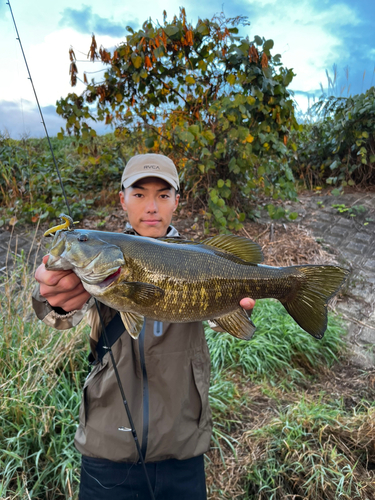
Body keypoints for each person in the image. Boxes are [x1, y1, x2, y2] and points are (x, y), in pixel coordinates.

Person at [33, 153, 255, 499]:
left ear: (176, 201)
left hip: (182, 447)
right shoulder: (100, 259)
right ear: (122, 199)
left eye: (163, 195)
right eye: (139, 194)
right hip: (106, 449)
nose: (151, 206)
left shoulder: (200, 256)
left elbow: (223, 322)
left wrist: (234, 313)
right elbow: (59, 315)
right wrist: (54, 298)